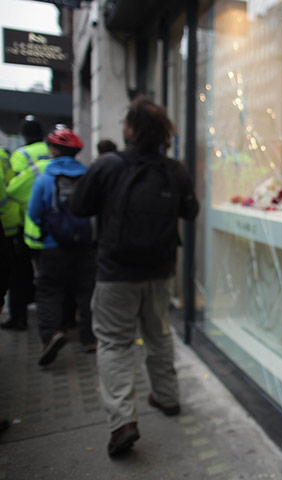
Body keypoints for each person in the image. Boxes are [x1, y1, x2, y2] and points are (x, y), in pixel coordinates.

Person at [70, 95, 199, 457]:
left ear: (130, 129)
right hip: (159, 272)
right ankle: (168, 397)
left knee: (114, 343)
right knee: (158, 334)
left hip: (115, 273)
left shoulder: (108, 165)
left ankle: (123, 422)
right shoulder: (174, 170)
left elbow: (78, 206)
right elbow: (191, 212)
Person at [26, 126, 97, 366]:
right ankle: (89, 338)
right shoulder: (88, 176)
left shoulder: (45, 178)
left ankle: (51, 335)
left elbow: (34, 213)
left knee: (48, 291)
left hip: (53, 246)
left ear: (55, 150)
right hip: (85, 247)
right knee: (86, 292)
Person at [0, 116, 51, 330]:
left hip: (24, 222)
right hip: (53, 219)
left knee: (19, 273)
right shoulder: (50, 151)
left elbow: (13, 188)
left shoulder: (21, 154)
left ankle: (19, 317)